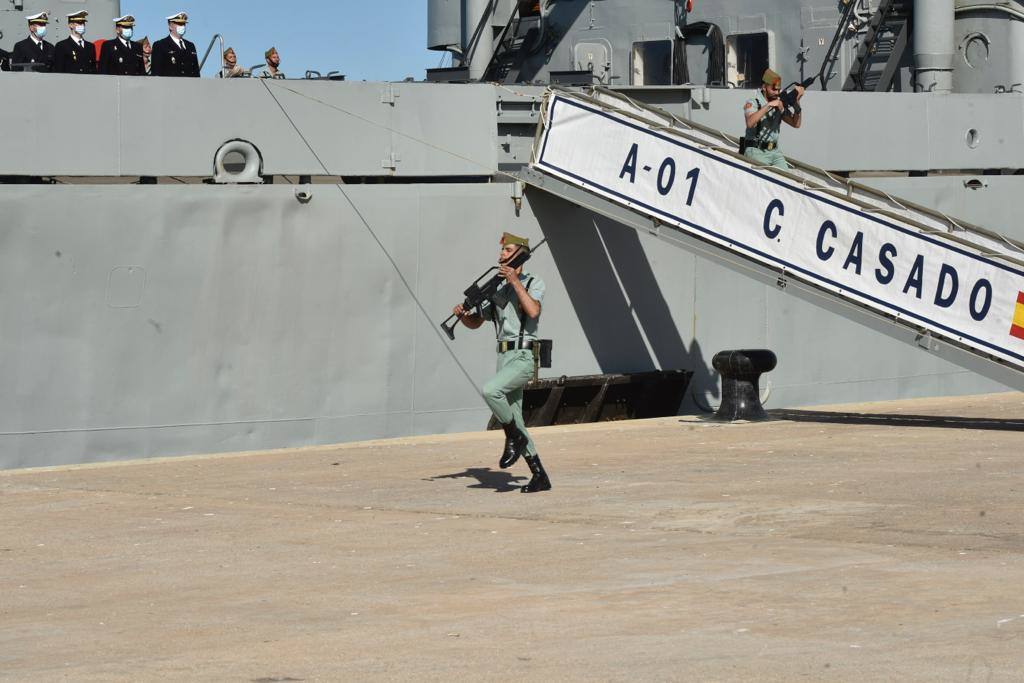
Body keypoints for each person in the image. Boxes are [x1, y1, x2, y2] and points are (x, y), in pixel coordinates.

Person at [452, 232, 552, 493]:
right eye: (502, 252)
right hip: (503, 355)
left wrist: (515, 281)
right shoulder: (495, 286)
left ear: (519, 254)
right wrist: (463, 317)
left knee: (490, 390)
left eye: (507, 251)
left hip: (523, 355)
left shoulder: (532, 282)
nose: (501, 256)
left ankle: (514, 438)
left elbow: (533, 311)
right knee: (515, 416)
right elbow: (478, 321)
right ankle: (539, 475)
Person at [741, 68, 805, 170]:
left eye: (779, 90)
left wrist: (797, 102)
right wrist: (768, 105)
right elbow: (750, 123)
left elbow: (795, 124)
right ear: (764, 87)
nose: (777, 93)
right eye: (774, 89)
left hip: (774, 152)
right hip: (757, 151)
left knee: (787, 179)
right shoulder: (752, 103)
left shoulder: (779, 103)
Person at [151, 12, 199, 77]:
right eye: (179, 24)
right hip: (169, 86)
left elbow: (196, 73)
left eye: (183, 24)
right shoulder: (160, 45)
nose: (182, 26)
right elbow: (156, 73)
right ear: (170, 26)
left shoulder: (190, 46)